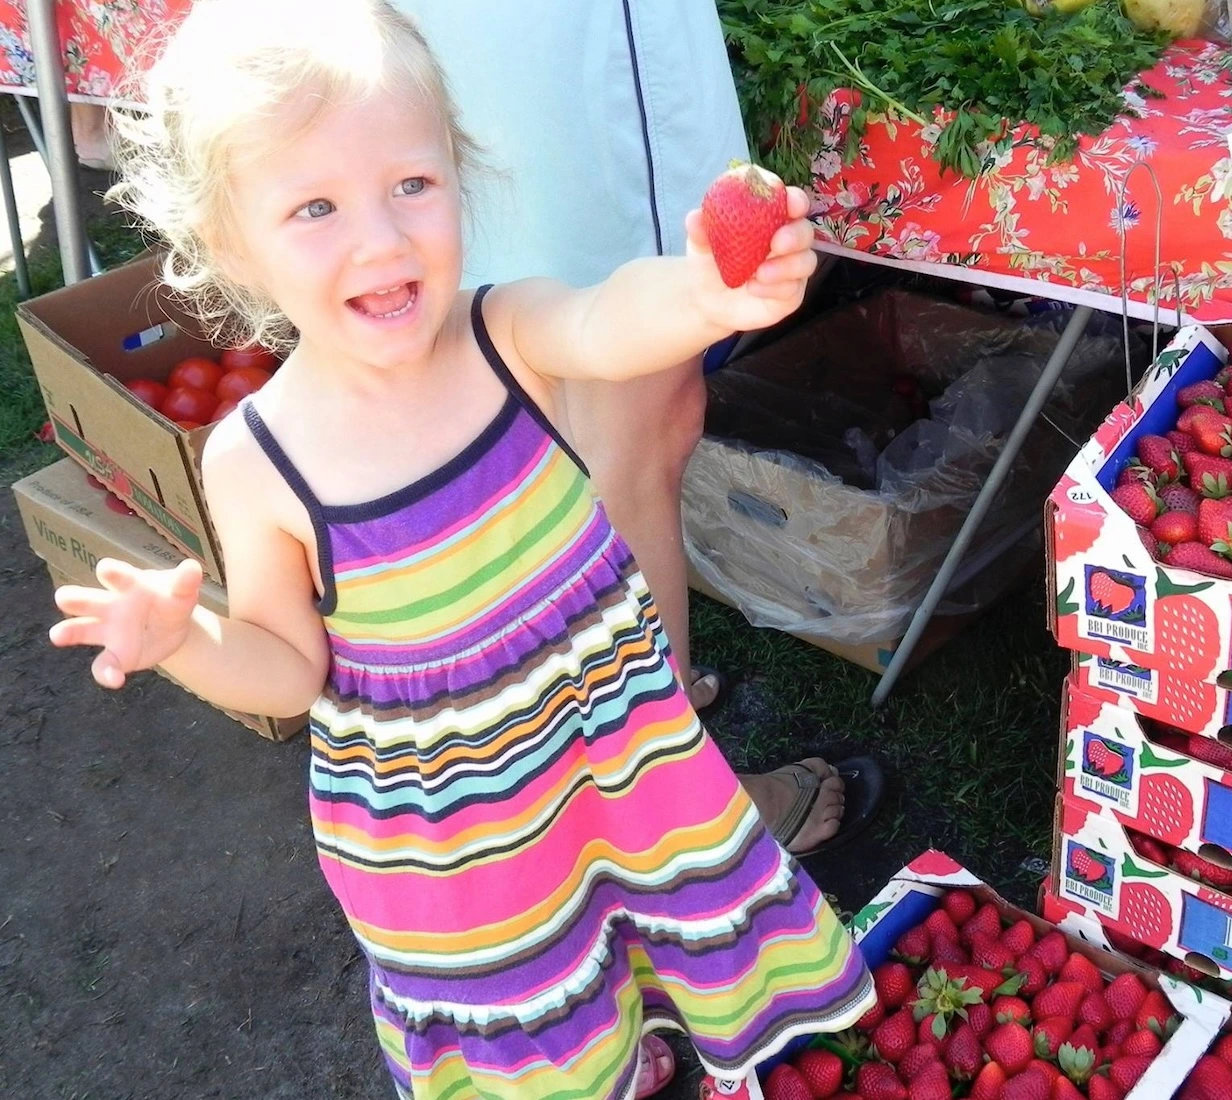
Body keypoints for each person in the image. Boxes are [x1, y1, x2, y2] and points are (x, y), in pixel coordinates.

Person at [47, 2, 874, 1096]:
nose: (382, 239)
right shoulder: (261, 460)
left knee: (633, 920)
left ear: (462, 171)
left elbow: (609, 321)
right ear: (232, 242)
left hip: (608, 751)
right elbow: (286, 666)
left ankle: (640, 1031)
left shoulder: (501, 332)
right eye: (315, 207)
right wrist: (186, 637)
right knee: (545, 1018)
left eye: (414, 185)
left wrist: (705, 292)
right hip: (463, 850)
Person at [387, 1, 884, 856]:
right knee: (637, 428)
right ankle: (680, 804)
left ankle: (582, 736)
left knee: (523, 362)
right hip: (553, 49)